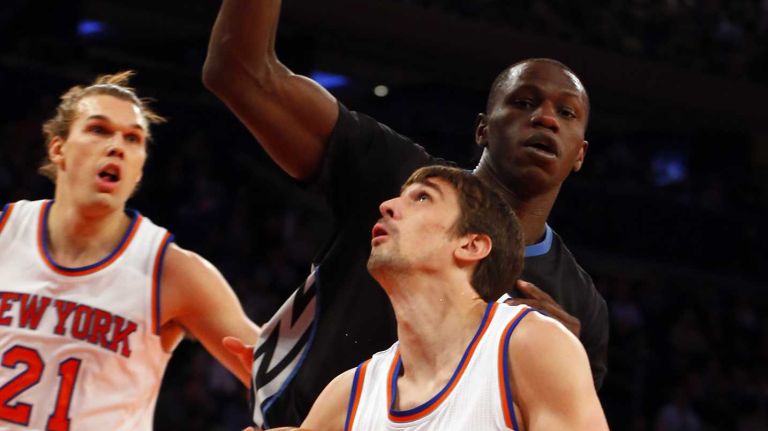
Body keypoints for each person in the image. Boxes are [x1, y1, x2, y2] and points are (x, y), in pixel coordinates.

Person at [203, 0, 608, 427]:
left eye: (566, 113)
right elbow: (240, 72)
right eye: (525, 102)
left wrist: (565, 354)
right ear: (483, 128)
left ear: (581, 154)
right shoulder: (397, 178)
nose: (545, 118)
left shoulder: (574, 313)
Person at [248, 165, 608, 430]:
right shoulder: (348, 396)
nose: (387, 205)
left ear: (471, 244)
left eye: (422, 197)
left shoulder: (531, 346)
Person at [0, 71, 259, 430]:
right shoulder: (5, 233)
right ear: (58, 147)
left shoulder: (170, 270)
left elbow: (281, 379)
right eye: (99, 130)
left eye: (133, 138)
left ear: (138, 170)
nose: (117, 146)